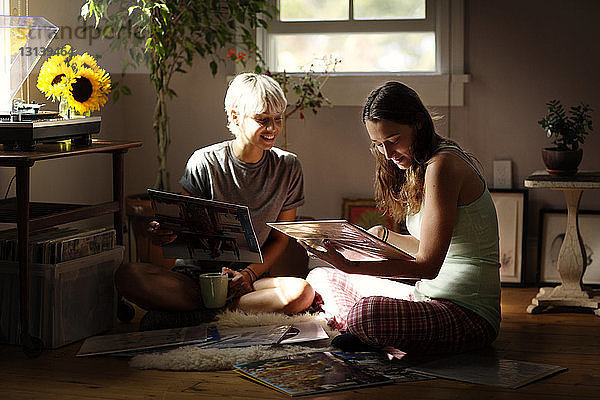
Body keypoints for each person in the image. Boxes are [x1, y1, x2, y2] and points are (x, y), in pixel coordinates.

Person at [305, 81, 500, 354]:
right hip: (426, 297)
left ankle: (361, 328)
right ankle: (369, 333)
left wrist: (353, 266)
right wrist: (379, 238)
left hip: (468, 314)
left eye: (393, 140)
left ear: (418, 123)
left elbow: (428, 266)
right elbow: (426, 245)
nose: (387, 154)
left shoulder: (443, 166)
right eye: (378, 144)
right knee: (322, 278)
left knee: (367, 313)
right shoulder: (418, 164)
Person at [116, 73, 315, 327]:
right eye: (262, 120)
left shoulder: (288, 166)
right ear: (235, 117)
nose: (272, 128)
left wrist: (247, 274)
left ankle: (201, 315)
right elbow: (186, 229)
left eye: (277, 119)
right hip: (196, 279)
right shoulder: (205, 161)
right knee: (128, 275)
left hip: (249, 281)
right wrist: (167, 232)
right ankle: (226, 313)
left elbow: (280, 237)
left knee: (302, 292)